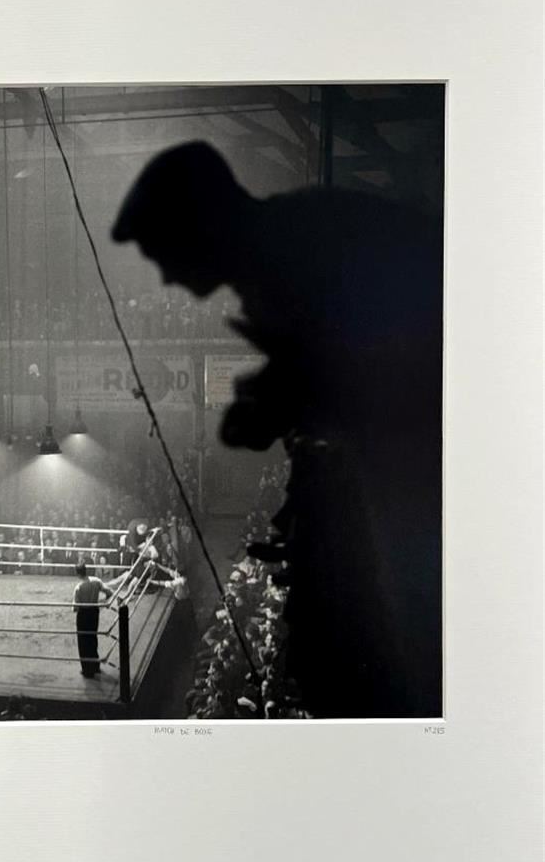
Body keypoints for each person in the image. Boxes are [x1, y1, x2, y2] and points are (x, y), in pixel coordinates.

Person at [113, 140, 443, 719]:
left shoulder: (300, 251)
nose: (164, 275)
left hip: (406, 485)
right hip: (376, 479)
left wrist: (285, 398)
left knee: (360, 655)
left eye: (162, 252)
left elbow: (391, 368)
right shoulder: (280, 255)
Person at [72, 561, 115, 678]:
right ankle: (95, 666)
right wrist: (101, 601)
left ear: (77, 573)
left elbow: (75, 608)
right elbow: (109, 592)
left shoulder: (79, 587)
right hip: (94, 612)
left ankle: (87, 670)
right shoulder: (96, 581)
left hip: (83, 614)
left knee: (83, 641)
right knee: (92, 638)